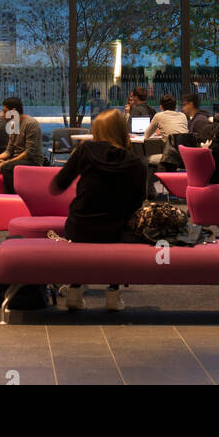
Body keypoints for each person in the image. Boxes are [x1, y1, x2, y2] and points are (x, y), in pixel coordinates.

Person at [49, 108, 146, 313]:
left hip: (79, 226)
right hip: (115, 229)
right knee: (123, 233)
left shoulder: (85, 151)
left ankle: (74, 292)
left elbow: (59, 183)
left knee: (78, 233)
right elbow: (138, 201)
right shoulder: (135, 162)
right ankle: (113, 293)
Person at [0, 96, 42, 194]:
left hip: (32, 161)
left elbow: (29, 152)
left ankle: (11, 197)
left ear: (13, 111)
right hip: (16, 159)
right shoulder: (12, 125)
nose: (3, 115)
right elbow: (9, 151)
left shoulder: (31, 123)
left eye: (5, 112)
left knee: (7, 167)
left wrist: (6, 162)